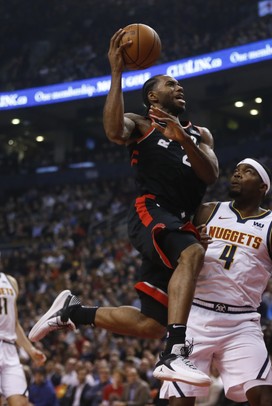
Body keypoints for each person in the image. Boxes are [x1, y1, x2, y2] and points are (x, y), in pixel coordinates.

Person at [28, 27, 219, 388]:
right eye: (170, 83)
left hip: (180, 221)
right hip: (152, 211)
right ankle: (175, 352)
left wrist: (182, 138)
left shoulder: (200, 133)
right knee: (192, 254)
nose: (179, 87)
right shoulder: (142, 124)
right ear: (152, 96)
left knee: (151, 323)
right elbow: (114, 131)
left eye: (180, 84)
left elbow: (209, 173)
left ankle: (73, 311)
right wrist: (116, 73)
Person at [160, 159, 272, 405]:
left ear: (263, 187)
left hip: (241, 322)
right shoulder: (207, 211)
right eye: (236, 170)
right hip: (195, 316)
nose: (237, 174)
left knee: (265, 396)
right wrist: (194, 247)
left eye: (247, 172)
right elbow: (178, 264)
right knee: (180, 401)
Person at [0, 270, 47, 406]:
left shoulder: (10, 281)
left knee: (21, 402)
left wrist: (30, 350)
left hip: (9, 349)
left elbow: (14, 324)